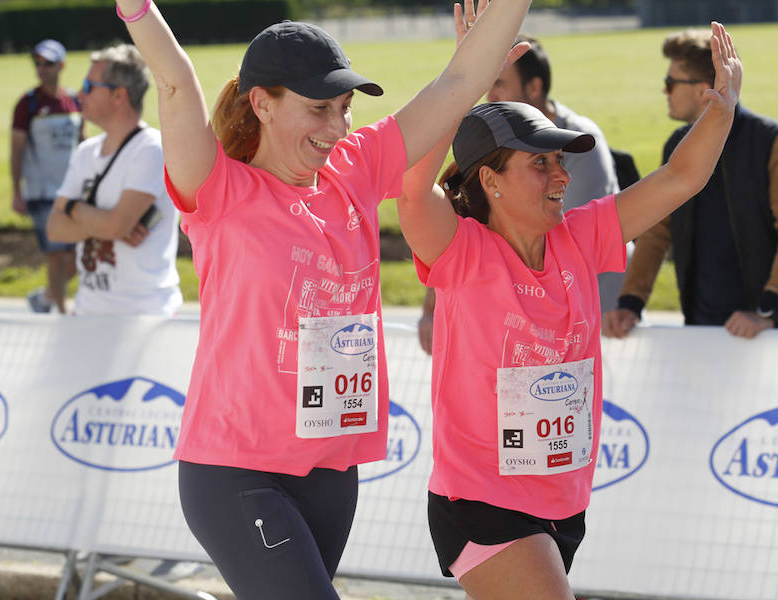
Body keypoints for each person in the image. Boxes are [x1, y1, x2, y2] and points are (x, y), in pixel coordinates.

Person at [112, 0, 530, 597]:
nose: (337, 127)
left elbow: (460, 85)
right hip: (238, 471)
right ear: (262, 103)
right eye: (317, 109)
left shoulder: (354, 171)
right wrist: (138, 9)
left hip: (332, 469)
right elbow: (176, 82)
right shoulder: (219, 188)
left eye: (345, 108)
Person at [396, 22, 740, 600]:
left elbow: (682, 177)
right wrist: (467, 76)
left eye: (560, 160)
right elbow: (411, 187)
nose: (562, 176)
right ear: (490, 180)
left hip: (563, 505)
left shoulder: (581, 238)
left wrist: (724, 107)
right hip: (483, 504)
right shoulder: (462, 251)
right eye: (541, 165)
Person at [417, 33, 622, 355]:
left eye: (498, 82)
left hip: (600, 318)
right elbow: (450, 223)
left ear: (534, 88)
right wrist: (463, 78)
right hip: (530, 323)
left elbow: (565, 239)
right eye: (540, 161)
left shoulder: (583, 143)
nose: (490, 94)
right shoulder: (494, 148)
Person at [604, 28, 778, 339]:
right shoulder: (676, 147)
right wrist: (631, 302)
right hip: (699, 325)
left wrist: (768, 312)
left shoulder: (768, 142)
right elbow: (657, 229)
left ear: (702, 91)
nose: (664, 92)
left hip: (762, 331)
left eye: (670, 84)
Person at [46, 43, 181, 316]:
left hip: (144, 315)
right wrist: (106, 223)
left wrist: (73, 208)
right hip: (88, 311)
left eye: (89, 85)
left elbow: (114, 225)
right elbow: (55, 228)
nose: (80, 93)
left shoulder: (151, 149)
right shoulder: (86, 151)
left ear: (119, 95)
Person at [10, 39, 82, 313]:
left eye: (48, 63)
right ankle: (62, 312)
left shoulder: (74, 101)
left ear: (61, 65)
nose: (42, 69)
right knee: (56, 254)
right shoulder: (27, 104)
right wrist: (17, 191)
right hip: (41, 192)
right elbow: (16, 150)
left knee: (76, 257)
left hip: (71, 190)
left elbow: (83, 143)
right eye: (37, 63)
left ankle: (46, 297)